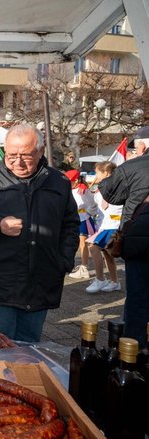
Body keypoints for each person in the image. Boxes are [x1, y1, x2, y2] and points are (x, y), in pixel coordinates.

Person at [0, 123, 79, 342]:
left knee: (29, 349)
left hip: (42, 281)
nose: (18, 162)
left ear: (40, 151)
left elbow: (70, 223)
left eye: (26, 155)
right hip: (0, 281)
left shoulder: (58, 182)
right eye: (11, 155)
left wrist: (64, 260)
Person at [98, 126, 149, 346]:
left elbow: (110, 192)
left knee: (138, 298)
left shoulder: (134, 166)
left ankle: (134, 352)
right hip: (141, 239)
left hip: (141, 240)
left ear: (143, 146)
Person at [84, 161, 122, 293]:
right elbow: (95, 208)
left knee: (93, 247)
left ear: (105, 173)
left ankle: (100, 279)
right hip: (103, 225)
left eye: (98, 172)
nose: (96, 175)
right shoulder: (100, 189)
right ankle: (115, 281)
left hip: (113, 225)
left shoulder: (117, 187)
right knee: (107, 253)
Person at [65, 169, 98, 280]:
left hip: (83, 218)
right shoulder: (70, 189)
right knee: (75, 243)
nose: (69, 183)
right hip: (73, 218)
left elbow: (92, 205)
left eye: (71, 181)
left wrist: (89, 213)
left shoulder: (83, 190)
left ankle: (84, 268)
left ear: (77, 180)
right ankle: (79, 266)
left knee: (84, 244)